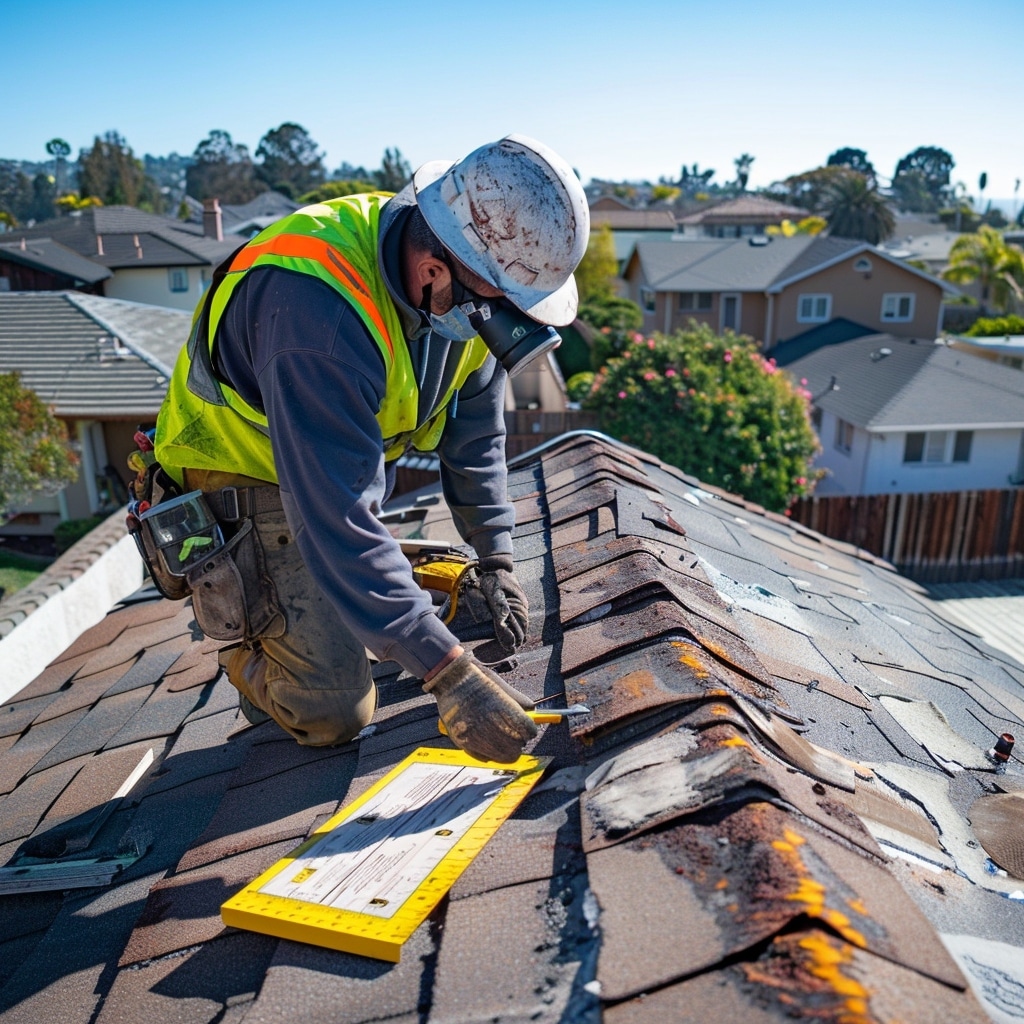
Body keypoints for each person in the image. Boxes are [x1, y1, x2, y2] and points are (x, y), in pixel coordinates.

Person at [148, 134, 589, 763]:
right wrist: (450, 675)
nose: (503, 322)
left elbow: (477, 442)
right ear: (434, 269)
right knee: (332, 710)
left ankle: (362, 574)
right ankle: (255, 636)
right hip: (241, 474)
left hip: (330, 471)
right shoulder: (315, 310)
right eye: (501, 306)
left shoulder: (465, 297)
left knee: (391, 586)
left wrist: (498, 558)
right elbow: (335, 514)